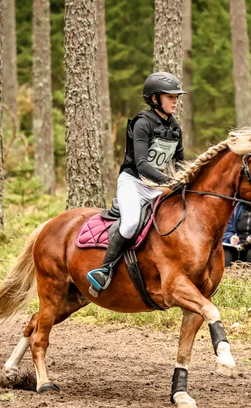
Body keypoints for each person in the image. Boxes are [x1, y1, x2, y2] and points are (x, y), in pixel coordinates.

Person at [86, 72, 187, 295]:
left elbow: (180, 162)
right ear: (154, 99)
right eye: (170, 96)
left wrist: (187, 179)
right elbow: (141, 164)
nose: (175, 100)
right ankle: (104, 270)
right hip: (134, 182)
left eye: (176, 97)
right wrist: (170, 181)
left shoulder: (175, 126)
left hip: (157, 187)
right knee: (131, 222)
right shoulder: (142, 123)